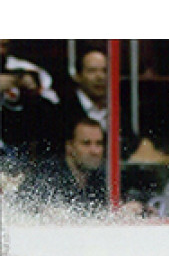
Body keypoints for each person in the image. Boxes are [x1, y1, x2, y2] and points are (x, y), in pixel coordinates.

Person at [15, 116, 107, 213]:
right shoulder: (47, 176)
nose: (95, 151)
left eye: (99, 143)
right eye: (86, 143)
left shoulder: (98, 179)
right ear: (69, 146)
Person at [1, 38, 61, 166]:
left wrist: (27, 85)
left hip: (14, 146)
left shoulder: (22, 69)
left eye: (3, 45)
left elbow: (52, 101)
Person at [59, 47, 108, 140]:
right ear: (78, 76)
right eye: (92, 71)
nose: (100, 77)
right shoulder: (62, 112)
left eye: (105, 71)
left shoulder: (118, 110)